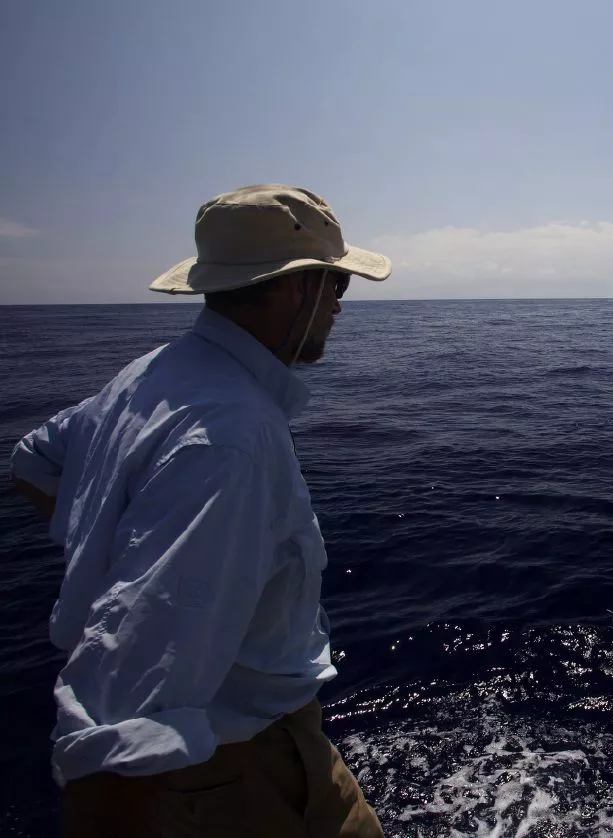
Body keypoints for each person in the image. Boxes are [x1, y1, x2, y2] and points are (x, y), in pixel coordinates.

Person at [9, 184, 393, 838]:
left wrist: (116, 550)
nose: (337, 306)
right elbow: (124, 714)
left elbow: (33, 461)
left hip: (257, 750)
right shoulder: (231, 440)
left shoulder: (150, 373)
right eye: (335, 287)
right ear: (295, 289)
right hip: (235, 772)